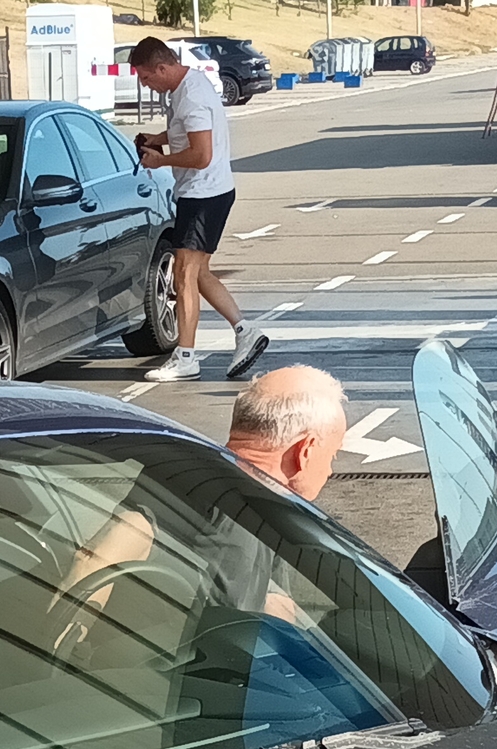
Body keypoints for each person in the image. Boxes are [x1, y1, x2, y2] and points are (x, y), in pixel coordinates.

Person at [127, 38, 268, 383]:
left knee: (183, 274)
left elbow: (201, 155)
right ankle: (245, 330)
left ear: (162, 67)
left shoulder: (190, 96)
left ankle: (186, 357)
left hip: (204, 193)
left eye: (146, 77)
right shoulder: (186, 86)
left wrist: (162, 160)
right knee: (199, 273)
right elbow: (187, 134)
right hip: (208, 191)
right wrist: (158, 139)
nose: (145, 85)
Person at [223, 365, 347, 501]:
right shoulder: (275, 518)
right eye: (332, 454)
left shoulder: (200, 485)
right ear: (305, 450)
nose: (330, 471)